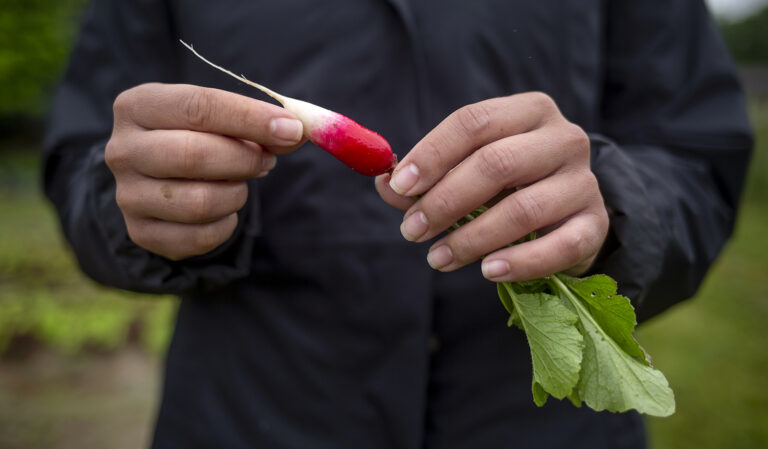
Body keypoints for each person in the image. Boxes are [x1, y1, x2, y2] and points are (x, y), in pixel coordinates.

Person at [44, 1, 752, 448]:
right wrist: (130, 203)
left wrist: (612, 204)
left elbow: (698, 154)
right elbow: (83, 156)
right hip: (249, 415)